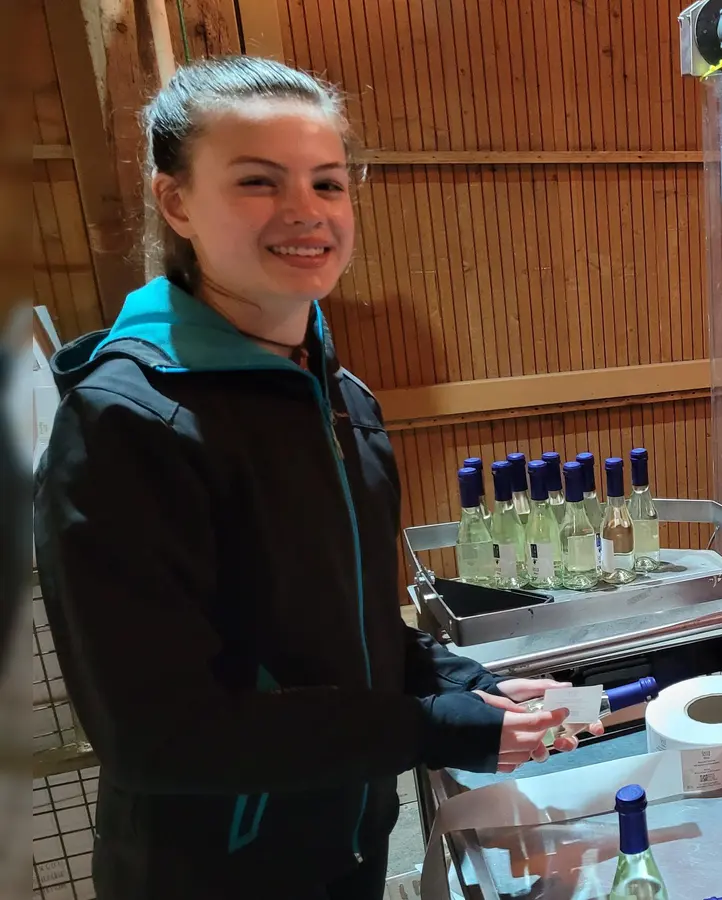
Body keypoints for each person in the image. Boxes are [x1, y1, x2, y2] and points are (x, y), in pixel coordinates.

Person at [32, 56, 591, 900]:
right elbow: (161, 735)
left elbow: (341, 629)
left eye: (327, 183)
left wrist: (457, 683)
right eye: (258, 181)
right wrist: (431, 727)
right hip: (215, 875)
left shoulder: (339, 398)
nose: (306, 211)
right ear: (176, 202)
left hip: (345, 849)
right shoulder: (126, 424)